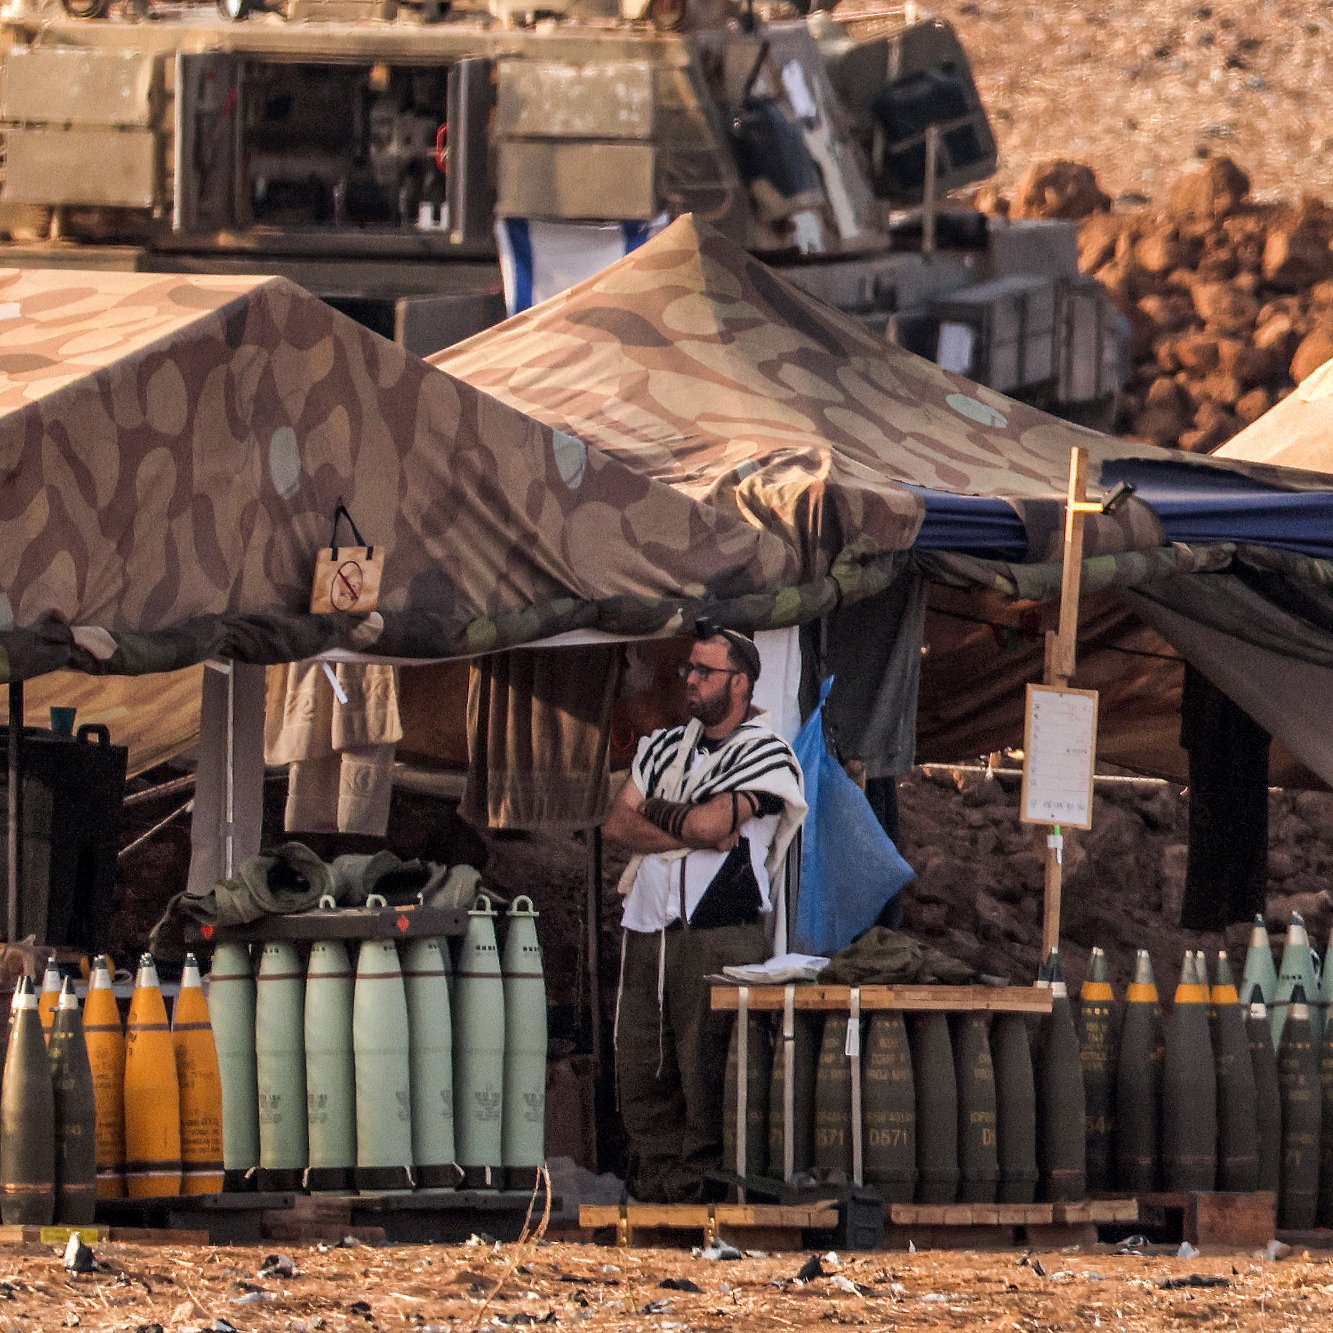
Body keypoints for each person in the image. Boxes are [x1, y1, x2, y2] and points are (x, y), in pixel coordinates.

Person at [604, 621, 806, 1203]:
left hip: (720, 930)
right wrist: (688, 829)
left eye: (704, 671)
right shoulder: (665, 744)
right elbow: (620, 822)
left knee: (708, 1064)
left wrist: (679, 820)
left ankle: (704, 1190)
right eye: (687, 669)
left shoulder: (768, 754)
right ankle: (658, 1183)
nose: (690, 680)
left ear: (739, 682)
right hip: (649, 925)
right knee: (643, 1059)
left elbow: (714, 825)